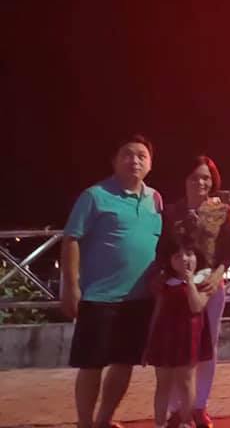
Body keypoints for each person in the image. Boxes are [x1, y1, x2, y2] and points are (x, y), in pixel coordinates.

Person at [62, 135, 166, 428]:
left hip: (139, 298)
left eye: (142, 156)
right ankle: (84, 422)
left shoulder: (155, 199)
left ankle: (104, 420)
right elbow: (71, 239)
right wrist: (71, 286)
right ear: (114, 161)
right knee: (91, 365)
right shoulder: (94, 196)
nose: (135, 161)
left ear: (150, 163)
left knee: (124, 363)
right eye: (127, 154)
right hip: (99, 297)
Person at [160, 156, 230, 428]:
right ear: (185, 180)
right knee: (178, 348)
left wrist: (217, 277)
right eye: (195, 177)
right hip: (179, 288)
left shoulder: (222, 211)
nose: (201, 182)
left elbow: (229, 251)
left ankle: (199, 406)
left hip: (210, 287)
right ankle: (175, 409)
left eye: (206, 177)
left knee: (207, 347)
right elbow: (164, 250)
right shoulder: (172, 212)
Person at [146, 234, 216, 428]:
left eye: (189, 254)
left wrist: (190, 281)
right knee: (163, 384)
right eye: (178, 256)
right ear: (170, 260)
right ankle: (160, 423)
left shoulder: (204, 282)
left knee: (186, 381)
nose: (185, 259)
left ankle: (186, 421)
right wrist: (148, 343)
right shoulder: (165, 284)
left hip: (188, 338)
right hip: (164, 338)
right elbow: (157, 312)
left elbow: (196, 306)